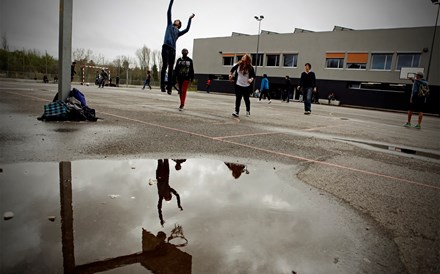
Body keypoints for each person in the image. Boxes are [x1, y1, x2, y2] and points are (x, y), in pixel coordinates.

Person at [160, 0, 195, 95]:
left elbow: (187, 29)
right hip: (166, 47)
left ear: (179, 25)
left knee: (171, 68)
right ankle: (162, 85)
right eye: (176, 20)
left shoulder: (178, 33)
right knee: (164, 66)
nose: (176, 20)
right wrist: (172, 1)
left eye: (178, 21)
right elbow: (168, 12)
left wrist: (190, 19)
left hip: (173, 50)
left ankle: (169, 88)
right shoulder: (169, 25)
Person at [156, 159, 183, 226]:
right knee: (161, 160)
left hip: (163, 174)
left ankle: (162, 151)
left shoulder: (163, 194)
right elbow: (159, 208)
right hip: (161, 175)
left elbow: (177, 195)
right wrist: (179, 205)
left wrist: (179, 205)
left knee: (164, 159)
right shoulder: (162, 195)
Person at [229, 54, 255, 118]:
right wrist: (230, 75)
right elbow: (232, 70)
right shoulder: (238, 65)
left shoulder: (250, 67)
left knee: (246, 99)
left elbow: (253, 76)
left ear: (247, 59)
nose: (242, 58)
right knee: (238, 98)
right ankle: (236, 112)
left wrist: (250, 79)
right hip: (238, 84)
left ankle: (248, 111)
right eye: (243, 57)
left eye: (244, 57)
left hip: (246, 86)